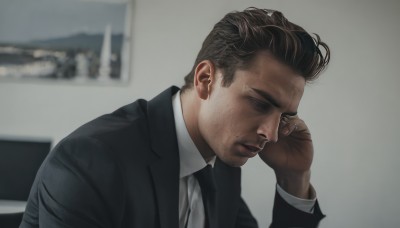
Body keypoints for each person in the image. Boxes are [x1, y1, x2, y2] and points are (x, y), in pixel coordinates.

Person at [20, 7, 330, 228]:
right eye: (260, 104)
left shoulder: (222, 164)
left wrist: (295, 179)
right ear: (206, 79)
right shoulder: (91, 161)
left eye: (284, 116)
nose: (272, 134)